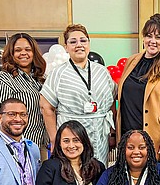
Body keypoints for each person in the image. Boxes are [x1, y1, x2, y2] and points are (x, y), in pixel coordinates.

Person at [40, 24, 116, 164]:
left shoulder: (102, 71)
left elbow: (111, 102)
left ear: (89, 43)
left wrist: (112, 132)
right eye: (73, 42)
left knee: (99, 174)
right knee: (72, 176)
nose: (79, 45)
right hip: (71, 136)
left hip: (100, 133)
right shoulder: (58, 73)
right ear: (66, 47)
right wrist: (54, 139)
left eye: (83, 40)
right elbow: (46, 107)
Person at [116, 13, 160, 164]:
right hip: (128, 139)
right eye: (149, 36)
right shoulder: (132, 61)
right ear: (143, 37)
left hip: (156, 140)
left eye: (158, 37)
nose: (153, 41)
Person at [0, 33, 48, 159]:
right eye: (18, 50)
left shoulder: (40, 79)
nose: (23, 53)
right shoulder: (3, 79)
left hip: (38, 145)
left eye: (28, 49)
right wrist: (9, 148)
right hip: (14, 147)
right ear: (11, 53)